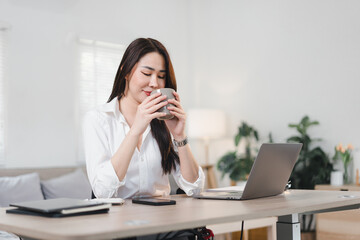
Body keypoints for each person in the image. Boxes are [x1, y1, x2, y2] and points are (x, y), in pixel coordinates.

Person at [83, 38, 205, 199]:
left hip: (162, 218)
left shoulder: (164, 121)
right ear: (125, 71)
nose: (154, 83)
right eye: (147, 73)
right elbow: (103, 192)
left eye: (161, 76)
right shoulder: (98, 119)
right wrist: (135, 131)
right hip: (117, 220)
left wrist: (179, 136)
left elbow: (195, 188)